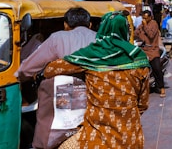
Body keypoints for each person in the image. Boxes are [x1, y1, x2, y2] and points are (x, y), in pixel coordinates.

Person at [43, 11, 150, 149]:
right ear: (125, 30)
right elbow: (143, 104)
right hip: (130, 137)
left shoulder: (91, 54)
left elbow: (50, 70)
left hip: (97, 138)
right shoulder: (138, 57)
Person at [16, 7, 96, 149]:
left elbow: (28, 68)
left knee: (48, 132)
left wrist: (19, 76)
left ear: (66, 24)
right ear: (89, 24)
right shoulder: (99, 39)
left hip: (62, 99)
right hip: (93, 97)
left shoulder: (57, 38)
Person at [134, 9, 165, 97]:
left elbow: (151, 35)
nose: (144, 20)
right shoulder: (141, 25)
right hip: (144, 50)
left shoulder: (154, 24)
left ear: (150, 17)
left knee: (157, 69)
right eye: (143, 18)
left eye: (146, 18)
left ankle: (162, 88)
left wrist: (145, 26)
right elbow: (136, 34)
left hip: (153, 50)